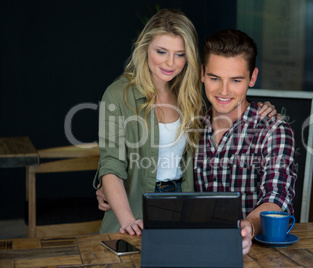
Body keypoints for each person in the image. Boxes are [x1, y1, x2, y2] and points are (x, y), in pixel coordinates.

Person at [94, 9, 277, 239]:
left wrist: (260, 107)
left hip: (184, 203)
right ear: (145, 48)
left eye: (179, 54)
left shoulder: (190, 94)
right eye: (161, 51)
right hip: (136, 206)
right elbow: (111, 164)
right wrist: (124, 214)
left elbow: (228, 99)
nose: (170, 63)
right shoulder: (119, 94)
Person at [193, 29, 297, 254]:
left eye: (236, 80)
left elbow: (276, 197)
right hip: (193, 247)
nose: (223, 90)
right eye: (214, 78)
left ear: (252, 77)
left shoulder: (273, 130)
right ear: (202, 73)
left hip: (254, 254)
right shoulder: (189, 127)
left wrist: (247, 227)